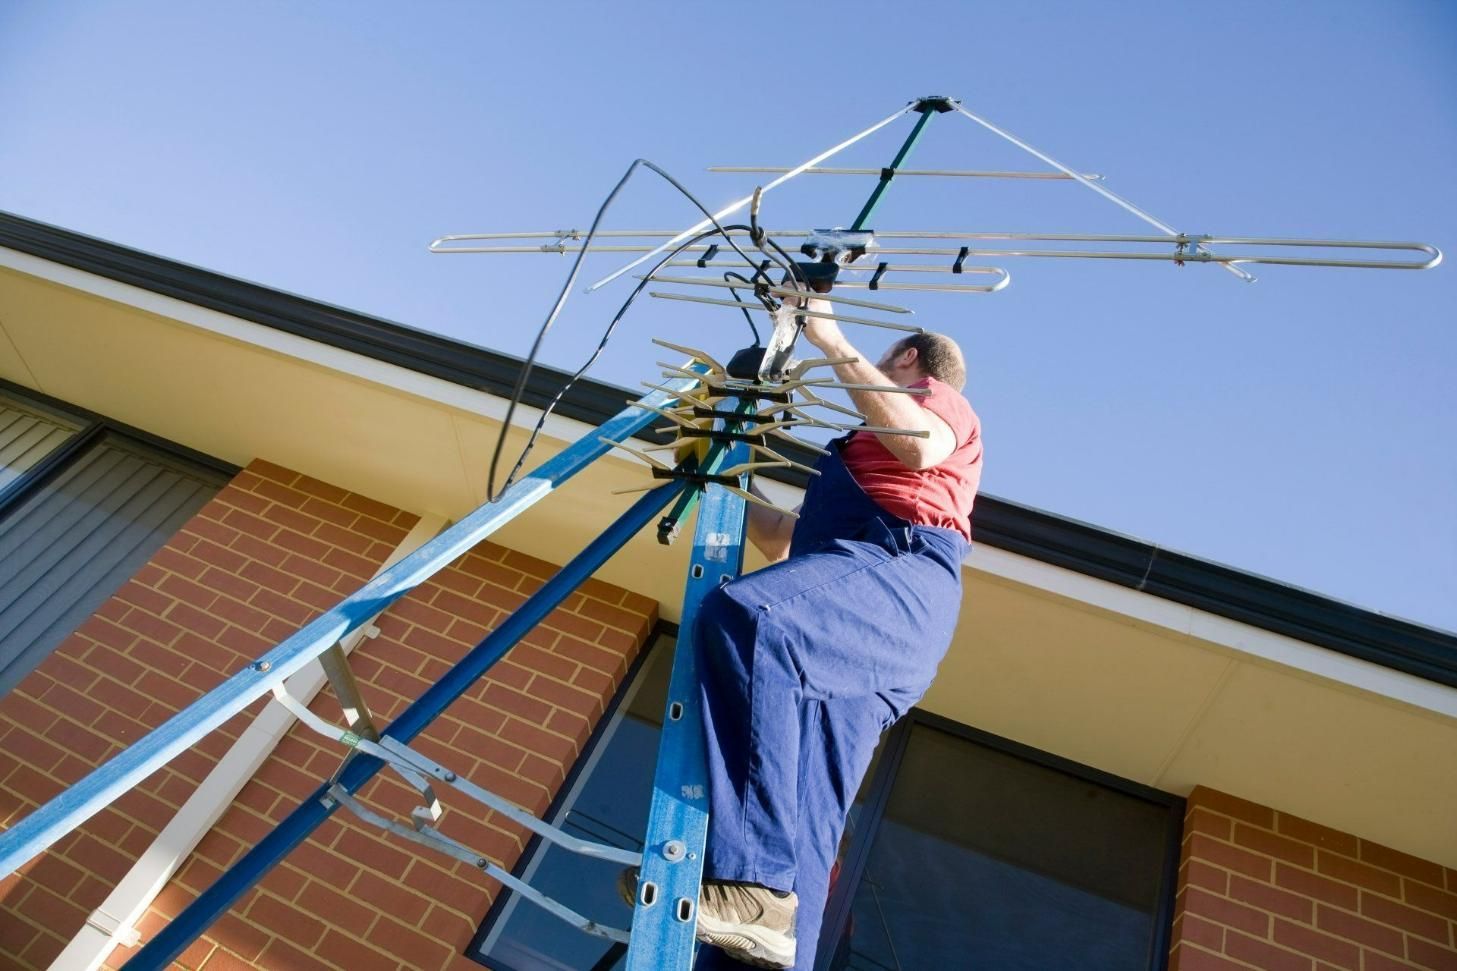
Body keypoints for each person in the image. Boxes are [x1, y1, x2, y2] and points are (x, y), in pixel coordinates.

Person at [686, 298, 984, 970]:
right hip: (858, 602)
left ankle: (753, 882)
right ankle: (764, 932)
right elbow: (785, 543)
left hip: (901, 574)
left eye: (886, 356)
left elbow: (918, 444)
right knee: (804, 812)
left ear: (907, 359)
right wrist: (717, 471)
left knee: (749, 619)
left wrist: (824, 333)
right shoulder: (858, 460)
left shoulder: (933, 401)